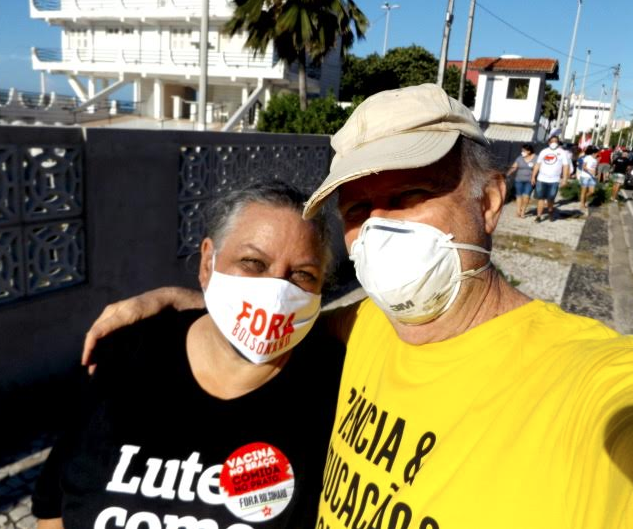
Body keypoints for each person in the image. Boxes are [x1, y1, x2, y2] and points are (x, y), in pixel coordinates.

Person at [82, 84, 633, 529]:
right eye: (359, 209)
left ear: (488, 202)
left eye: (409, 196)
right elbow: (278, 317)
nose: (379, 228)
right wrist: (193, 301)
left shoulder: (583, 383)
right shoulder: (366, 325)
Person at [32, 181, 345, 529]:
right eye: (253, 263)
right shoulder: (128, 355)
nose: (276, 293)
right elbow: (53, 507)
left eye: (302, 274)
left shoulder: (332, 387)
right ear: (208, 262)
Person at [531, 134, 570, 222]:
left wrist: (565, 179)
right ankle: (538, 216)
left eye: (556, 141)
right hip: (541, 179)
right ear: (549, 142)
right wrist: (533, 176)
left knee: (551, 199)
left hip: (554, 180)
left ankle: (550, 212)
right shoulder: (544, 151)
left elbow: (565, 166)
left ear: (558, 143)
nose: (554, 143)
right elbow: (538, 164)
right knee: (540, 198)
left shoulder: (562, 152)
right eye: (552, 141)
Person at [506, 144, 536, 218]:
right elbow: (514, 167)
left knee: (526, 196)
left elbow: (537, 168)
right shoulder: (519, 158)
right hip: (519, 180)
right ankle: (518, 211)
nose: (522, 152)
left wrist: (534, 177)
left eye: (524, 151)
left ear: (529, 151)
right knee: (518, 196)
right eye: (522, 150)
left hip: (529, 181)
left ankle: (523, 211)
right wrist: (507, 174)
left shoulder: (535, 158)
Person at [578, 145, 598, 212]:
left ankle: (583, 200)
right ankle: (582, 204)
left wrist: (596, 173)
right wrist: (590, 170)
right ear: (593, 153)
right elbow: (583, 167)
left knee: (592, 191)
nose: (597, 154)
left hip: (592, 177)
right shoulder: (587, 157)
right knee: (583, 191)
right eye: (597, 153)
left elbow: (594, 168)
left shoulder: (595, 160)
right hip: (585, 176)